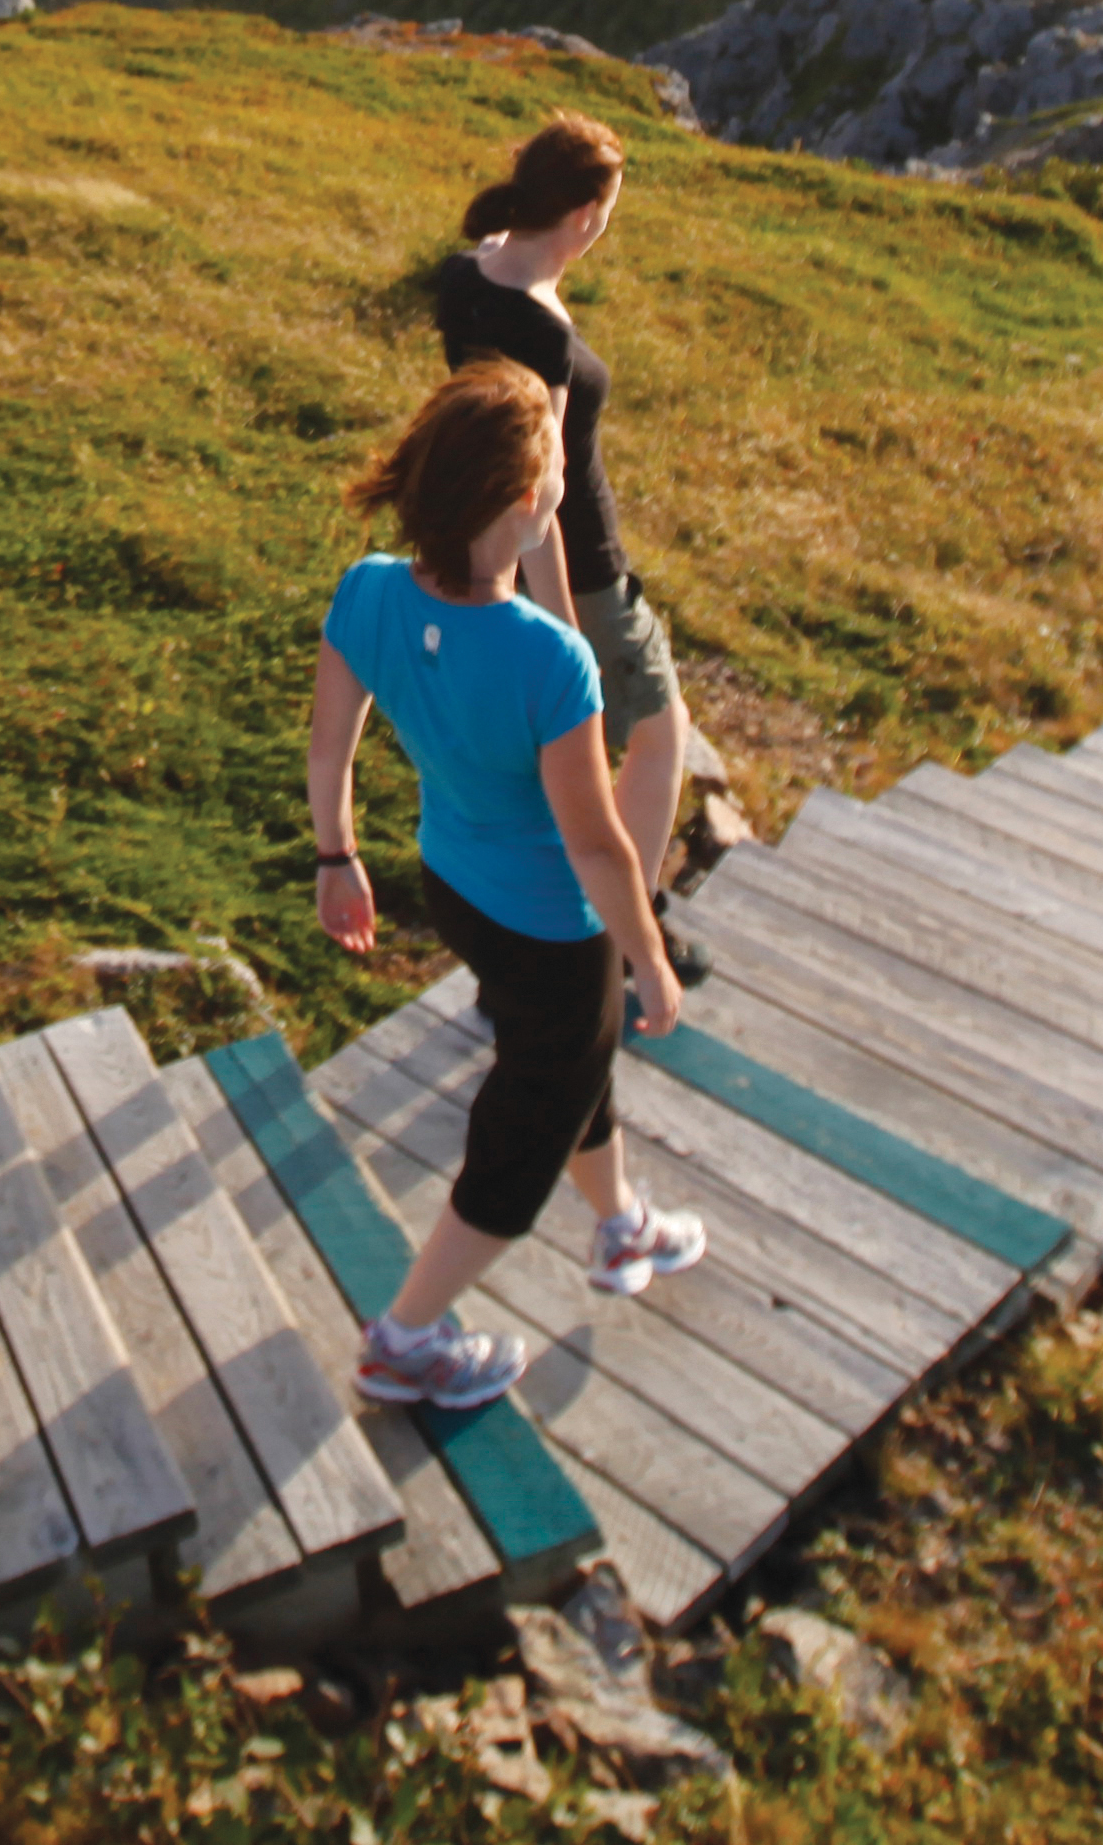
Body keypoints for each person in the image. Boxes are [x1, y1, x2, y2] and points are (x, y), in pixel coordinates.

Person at [305, 359, 709, 1410]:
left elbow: (328, 747)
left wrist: (337, 858)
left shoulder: (369, 590)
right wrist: (651, 961)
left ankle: (620, 1219)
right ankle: (407, 1338)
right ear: (527, 505)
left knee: (564, 1061)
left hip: (454, 889)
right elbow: (598, 846)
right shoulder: (548, 660)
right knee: (524, 1123)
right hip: (552, 928)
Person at [423, 112, 734, 891]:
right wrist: (563, 625)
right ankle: (615, 920)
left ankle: (548, 890)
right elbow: (545, 490)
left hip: (475, 542)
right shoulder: (545, 337)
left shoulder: (465, 278)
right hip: (580, 567)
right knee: (660, 734)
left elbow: (496, 256)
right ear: (586, 216)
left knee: (535, 751)